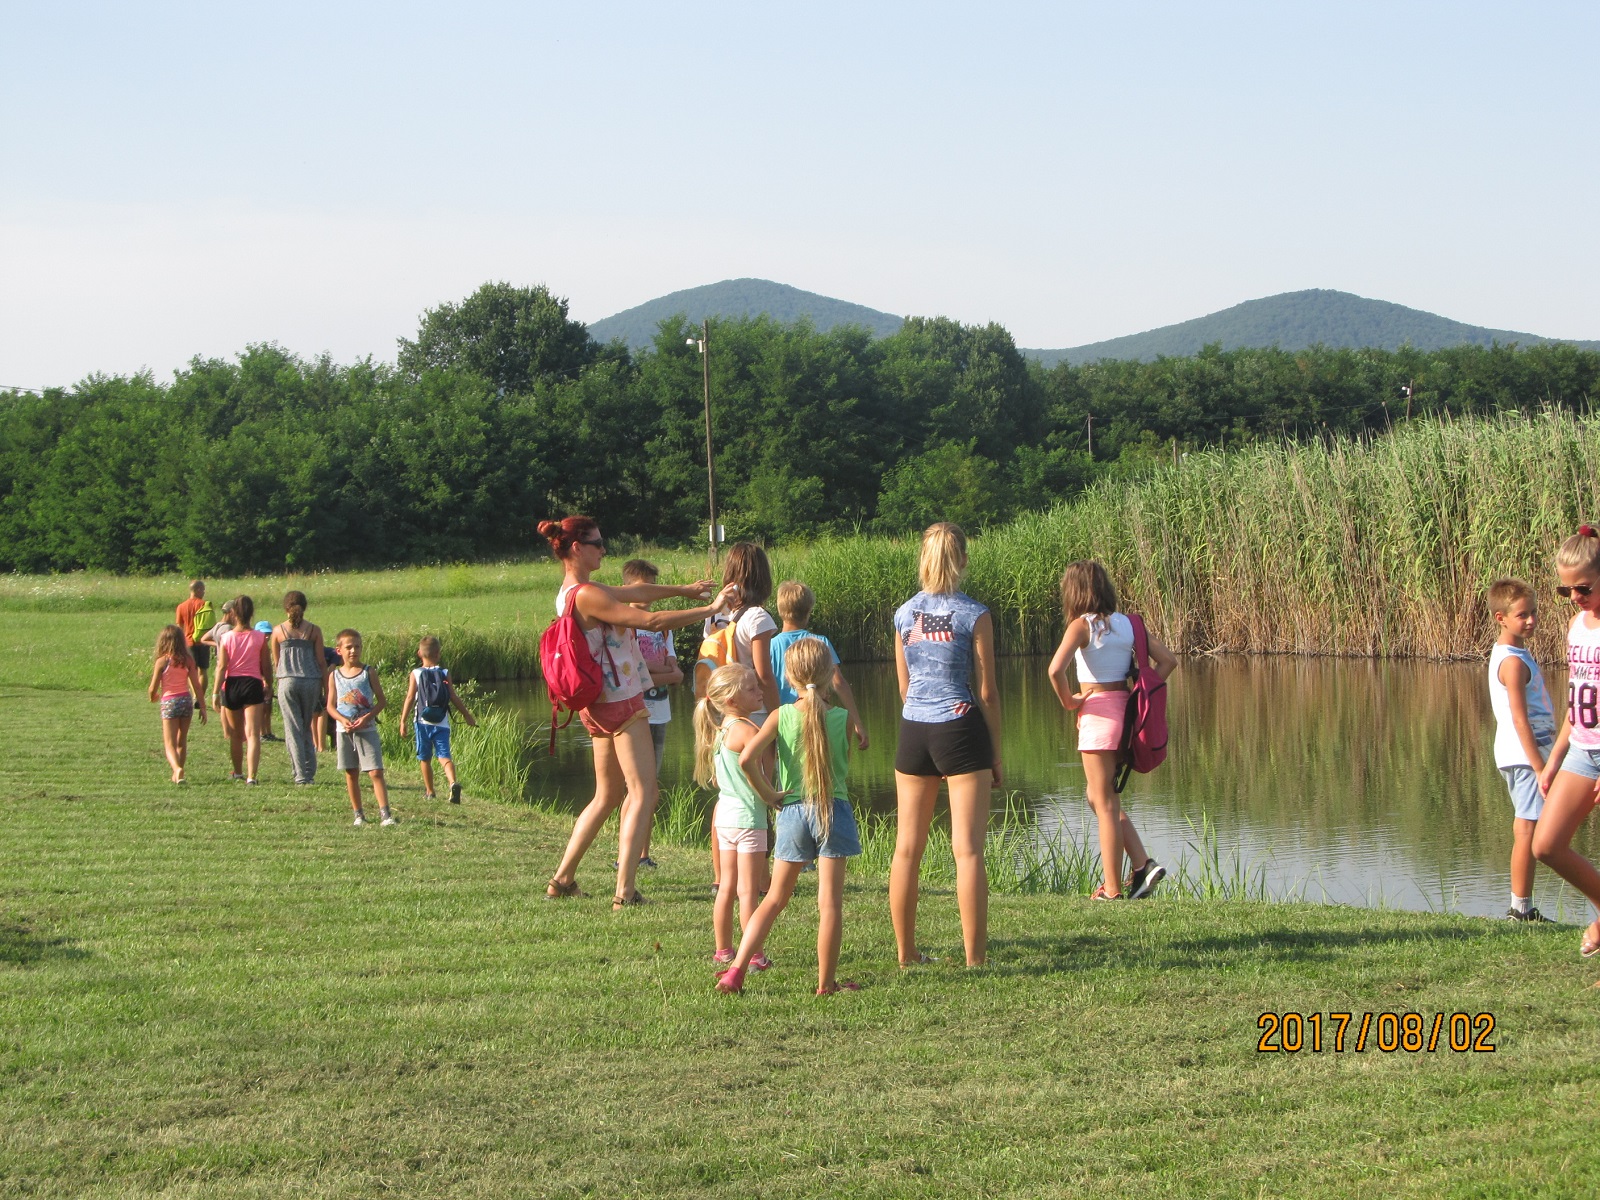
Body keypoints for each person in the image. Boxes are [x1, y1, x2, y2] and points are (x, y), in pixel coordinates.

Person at [539, 516, 736, 909]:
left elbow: (636, 591)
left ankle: (562, 879)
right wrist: (712, 608)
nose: (604, 549)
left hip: (596, 705)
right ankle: (625, 891)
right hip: (621, 701)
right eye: (597, 543)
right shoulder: (588, 596)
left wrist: (686, 590)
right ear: (576, 548)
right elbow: (651, 620)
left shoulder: (573, 591)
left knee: (608, 794)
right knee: (645, 791)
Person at [716, 637, 862, 995]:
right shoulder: (842, 719)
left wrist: (769, 795)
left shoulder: (780, 716)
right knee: (829, 903)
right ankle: (825, 984)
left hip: (793, 811)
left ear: (787, 678)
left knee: (774, 898)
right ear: (830, 676)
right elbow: (842, 765)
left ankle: (735, 972)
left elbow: (748, 759)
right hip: (833, 809)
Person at [888, 523, 1001, 968]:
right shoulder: (974, 614)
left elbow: (904, 686)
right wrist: (994, 751)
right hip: (959, 727)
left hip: (913, 729)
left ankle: (906, 954)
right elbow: (987, 692)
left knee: (906, 849)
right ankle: (975, 959)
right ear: (963, 561)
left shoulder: (903, 614)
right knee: (968, 850)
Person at [1047, 560, 1179, 901]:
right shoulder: (1130, 625)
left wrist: (1070, 702)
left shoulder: (1081, 626)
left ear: (1074, 593)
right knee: (1099, 796)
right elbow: (1168, 661)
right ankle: (1142, 865)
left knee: (1104, 802)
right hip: (1127, 717)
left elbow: (1054, 670)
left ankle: (1112, 889)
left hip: (1098, 716)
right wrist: (1142, 695)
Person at [1535, 526, 1600, 957]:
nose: (1574, 596)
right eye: (1565, 589)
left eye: (1583, 587)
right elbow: (1578, 696)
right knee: (1546, 845)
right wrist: (1555, 759)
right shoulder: (1577, 625)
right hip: (1581, 749)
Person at [695, 663, 777, 967]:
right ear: (731, 700)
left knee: (726, 887)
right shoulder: (748, 731)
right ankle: (754, 955)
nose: (760, 692)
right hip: (749, 821)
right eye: (752, 688)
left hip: (725, 818)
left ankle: (723, 950)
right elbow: (764, 769)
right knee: (748, 891)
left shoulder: (720, 731)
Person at [1487, 578, 1558, 923]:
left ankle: (1522, 906)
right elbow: (1519, 719)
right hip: (1526, 755)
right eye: (1522, 615)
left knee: (1526, 827)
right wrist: (1540, 767)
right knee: (1528, 829)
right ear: (1501, 618)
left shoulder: (1514, 652)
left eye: (1533, 613)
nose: (1531, 620)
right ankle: (1520, 909)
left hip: (1524, 753)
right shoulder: (1512, 662)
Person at [625, 558, 683, 868]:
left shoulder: (661, 625)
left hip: (660, 710)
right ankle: (628, 854)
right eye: (641, 587)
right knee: (636, 788)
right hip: (636, 711)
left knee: (652, 788)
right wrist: (665, 672)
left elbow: (673, 666)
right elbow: (637, 669)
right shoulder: (627, 623)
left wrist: (663, 671)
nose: (647, 594)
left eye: (652, 587)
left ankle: (643, 853)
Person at [769, 580, 868, 748]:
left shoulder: (770, 646)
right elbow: (839, 683)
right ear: (808, 612)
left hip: (785, 724)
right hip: (819, 719)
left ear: (780, 611)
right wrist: (857, 723)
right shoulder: (820, 642)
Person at [327, 628, 394, 826]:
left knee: (375, 771)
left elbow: (381, 701)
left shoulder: (368, 672)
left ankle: (386, 814)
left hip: (367, 729)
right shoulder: (334, 676)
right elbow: (330, 706)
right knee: (351, 771)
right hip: (344, 731)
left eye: (357, 647)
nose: (353, 651)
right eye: (348, 647)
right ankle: (358, 814)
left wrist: (367, 718)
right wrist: (341, 720)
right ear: (339, 650)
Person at [398, 635, 477, 803]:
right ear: (438, 654)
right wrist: (467, 715)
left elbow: (410, 697)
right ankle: (452, 782)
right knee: (444, 756)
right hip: (442, 723)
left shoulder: (416, 673)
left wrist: (403, 721)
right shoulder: (444, 673)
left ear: (419, 653)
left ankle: (430, 791)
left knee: (424, 758)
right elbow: (453, 697)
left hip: (422, 723)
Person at [211, 595, 271, 785]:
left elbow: (221, 667)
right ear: (252, 613)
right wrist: (269, 684)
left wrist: (214, 693)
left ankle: (237, 772)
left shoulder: (226, 637)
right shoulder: (260, 637)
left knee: (236, 734)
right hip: (253, 684)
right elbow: (266, 665)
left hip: (232, 685)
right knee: (253, 734)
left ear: (234, 613)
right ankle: (252, 776)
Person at [270, 590, 328, 786]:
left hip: (287, 681)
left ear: (285, 608)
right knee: (306, 727)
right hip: (311, 681)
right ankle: (310, 771)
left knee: (292, 728)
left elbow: (276, 662)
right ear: (304, 607)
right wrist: (326, 690)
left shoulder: (278, 631)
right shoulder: (314, 630)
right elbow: (321, 662)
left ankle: (300, 774)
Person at [147, 624, 205, 783]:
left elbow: (152, 687)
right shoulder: (188, 660)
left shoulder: (162, 661)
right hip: (186, 700)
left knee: (169, 744)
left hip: (169, 702)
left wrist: (153, 696)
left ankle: (177, 769)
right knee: (181, 741)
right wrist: (203, 707)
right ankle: (179, 774)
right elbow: (196, 685)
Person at [201, 598, 236, 746]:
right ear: (230, 613)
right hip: (226, 667)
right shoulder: (228, 629)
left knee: (223, 702)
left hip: (218, 665)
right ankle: (228, 731)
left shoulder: (217, 626)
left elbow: (203, 639)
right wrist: (221, 645)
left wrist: (216, 644)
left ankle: (226, 731)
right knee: (226, 704)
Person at [175, 580, 216, 692]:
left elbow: (179, 627)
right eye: (203, 589)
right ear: (197, 589)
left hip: (188, 642)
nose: (204, 592)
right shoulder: (205, 605)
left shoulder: (181, 607)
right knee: (203, 671)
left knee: (191, 671)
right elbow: (211, 624)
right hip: (203, 641)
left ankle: (194, 696)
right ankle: (200, 697)